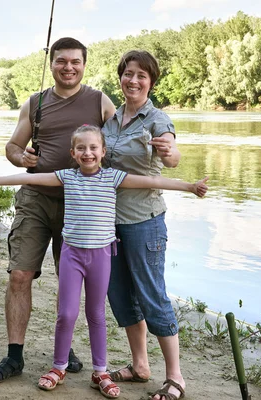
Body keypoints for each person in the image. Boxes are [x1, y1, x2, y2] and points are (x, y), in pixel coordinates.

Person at [0, 125, 208, 398]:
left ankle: (101, 371)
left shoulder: (113, 177)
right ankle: (58, 367)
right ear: (73, 153)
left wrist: (189, 186)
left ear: (103, 152)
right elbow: (33, 179)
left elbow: (152, 182)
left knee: (96, 315)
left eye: (93, 148)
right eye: (82, 149)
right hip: (72, 255)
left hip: (100, 256)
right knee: (66, 314)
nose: (88, 153)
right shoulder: (67, 177)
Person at [0, 37, 116, 384]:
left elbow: (119, 147)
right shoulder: (35, 103)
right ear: (52, 62)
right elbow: (13, 146)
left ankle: (64, 348)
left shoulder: (101, 102)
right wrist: (20, 157)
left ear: (84, 64)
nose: (68, 67)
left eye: (75, 61)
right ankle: (14, 357)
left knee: (67, 280)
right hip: (35, 199)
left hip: (80, 205)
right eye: (61, 61)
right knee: (19, 275)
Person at [101, 50, 191, 400]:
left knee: (152, 296)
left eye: (141, 75)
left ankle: (176, 377)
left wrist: (170, 153)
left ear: (151, 81)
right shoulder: (111, 120)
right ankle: (140, 366)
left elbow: (172, 154)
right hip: (110, 223)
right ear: (121, 77)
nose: (133, 80)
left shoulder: (158, 119)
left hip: (145, 222)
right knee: (121, 296)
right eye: (128, 73)